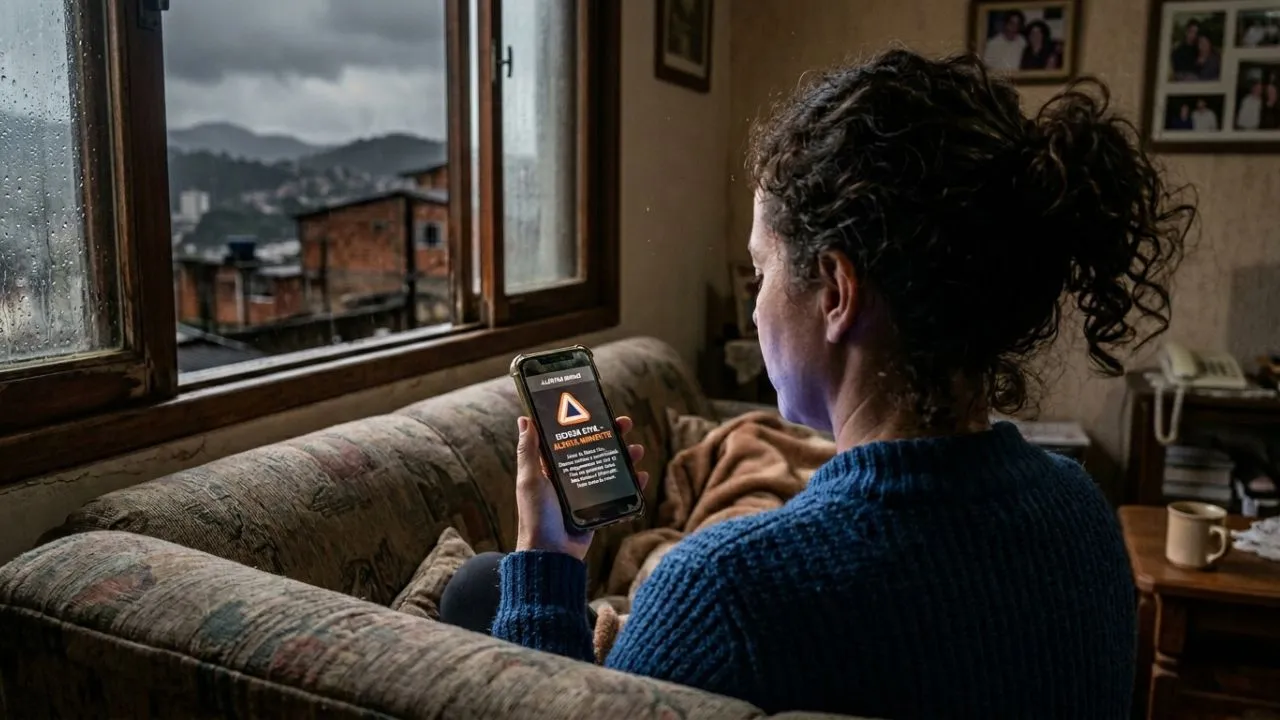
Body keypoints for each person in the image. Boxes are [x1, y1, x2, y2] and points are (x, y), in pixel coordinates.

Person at [441, 49, 1195, 719]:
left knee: (484, 586)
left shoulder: (725, 592)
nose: (758, 302)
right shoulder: (1085, 514)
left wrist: (546, 553)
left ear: (836, 291)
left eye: (762, 271)